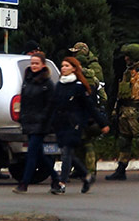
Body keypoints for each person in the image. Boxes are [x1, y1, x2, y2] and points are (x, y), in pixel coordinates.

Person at [45, 57, 109, 194]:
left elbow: (90, 107)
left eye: (67, 65)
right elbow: (53, 105)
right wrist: (48, 122)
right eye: (62, 65)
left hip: (73, 125)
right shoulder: (59, 85)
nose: (63, 68)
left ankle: (61, 183)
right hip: (60, 124)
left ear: (74, 68)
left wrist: (102, 123)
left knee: (66, 153)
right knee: (68, 154)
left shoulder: (79, 87)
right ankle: (86, 176)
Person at [107, 44, 139, 181]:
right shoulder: (127, 72)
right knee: (124, 141)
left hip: (136, 111)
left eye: (128, 56)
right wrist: (116, 110)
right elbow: (121, 93)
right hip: (124, 111)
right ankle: (121, 169)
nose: (126, 58)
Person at [13, 52, 60, 193]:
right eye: (32, 63)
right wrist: (21, 117)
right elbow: (24, 101)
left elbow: (51, 105)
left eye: (36, 63)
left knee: (31, 154)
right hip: (28, 122)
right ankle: (55, 177)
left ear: (43, 65)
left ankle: (24, 184)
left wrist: (43, 119)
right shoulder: (27, 80)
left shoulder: (48, 84)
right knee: (39, 153)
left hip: (41, 124)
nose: (34, 66)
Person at [68, 42, 107, 181]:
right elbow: (103, 96)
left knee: (84, 142)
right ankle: (85, 169)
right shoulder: (93, 77)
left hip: (81, 114)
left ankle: (86, 170)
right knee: (84, 142)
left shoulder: (81, 75)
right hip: (91, 113)